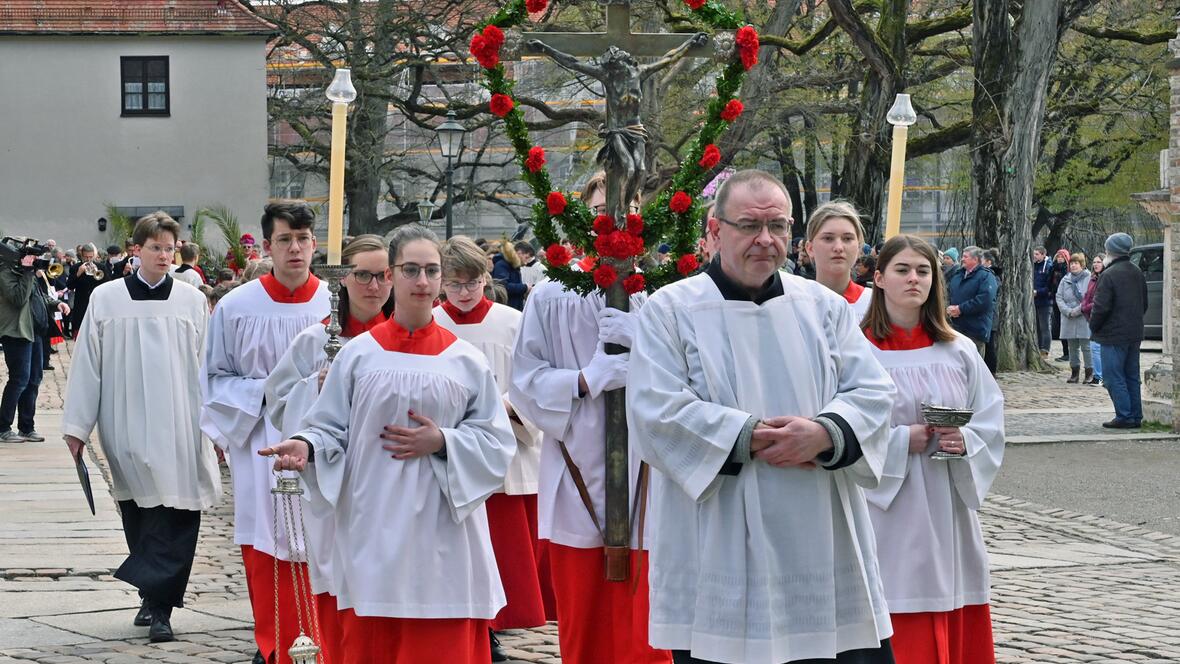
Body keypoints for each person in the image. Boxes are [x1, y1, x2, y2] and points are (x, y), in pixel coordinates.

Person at [627, 169, 897, 664]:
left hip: (819, 526)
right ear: (714, 230)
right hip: (718, 527)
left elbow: (875, 391)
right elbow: (654, 411)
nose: (765, 240)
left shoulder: (821, 306)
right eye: (749, 225)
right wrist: (748, 436)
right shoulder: (671, 310)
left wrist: (823, 433)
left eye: (777, 226)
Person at [261, 225, 517, 664]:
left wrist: (444, 441)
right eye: (411, 270)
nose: (422, 281)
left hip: (443, 529)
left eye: (432, 271)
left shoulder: (466, 361)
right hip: (372, 522)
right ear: (393, 274)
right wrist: (305, 445)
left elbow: (497, 442)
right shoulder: (358, 355)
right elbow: (329, 426)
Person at [510, 174, 665, 664]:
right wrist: (584, 379)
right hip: (576, 467)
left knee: (652, 621)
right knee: (586, 618)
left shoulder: (666, 296)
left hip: (652, 475)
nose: (616, 223)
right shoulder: (550, 296)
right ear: (581, 220)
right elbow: (525, 380)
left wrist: (652, 345)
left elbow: (707, 380)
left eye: (627, 209)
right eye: (602, 210)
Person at [62, 212, 220, 643]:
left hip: (181, 421)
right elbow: (88, 363)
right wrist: (78, 426)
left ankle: (162, 607)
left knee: (180, 511)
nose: (165, 256)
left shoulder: (190, 301)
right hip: (125, 419)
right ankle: (151, 595)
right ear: (136, 250)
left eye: (170, 248)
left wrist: (217, 426)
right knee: (140, 511)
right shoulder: (107, 298)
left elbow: (208, 366)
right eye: (156, 248)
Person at [860, 234, 1005, 664]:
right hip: (884, 506)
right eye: (902, 270)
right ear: (880, 277)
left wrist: (967, 440)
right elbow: (837, 428)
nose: (914, 279)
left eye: (923, 271)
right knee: (891, 598)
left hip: (946, 504)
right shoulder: (856, 349)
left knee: (948, 589)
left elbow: (989, 420)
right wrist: (902, 439)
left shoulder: (958, 350)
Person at [202, 201, 330, 664]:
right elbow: (214, 380)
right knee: (266, 539)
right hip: (261, 436)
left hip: (326, 438)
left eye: (303, 239)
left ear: (315, 242)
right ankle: (274, 640)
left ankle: (326, 640)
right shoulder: (237, 307)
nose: (295, 249)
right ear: (269, 245)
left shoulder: (336, 303)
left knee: (324, 538)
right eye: (284, 240)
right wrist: (280, 391)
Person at [264, 235, 393, 664]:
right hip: (333, 477)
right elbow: (279, 401)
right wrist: (316, 388)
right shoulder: (314, 340)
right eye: (362, 275)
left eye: (383, 275)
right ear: (343, 279)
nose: (373, 286)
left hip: (390, 476)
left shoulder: (402, 339)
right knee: (337, 577)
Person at [436, 236, 546, 662]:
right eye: (455, 284)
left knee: (501, 550)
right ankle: (474, 628)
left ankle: (494, 627)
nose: (464, 293)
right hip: (453, 448)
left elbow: (531, 383)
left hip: (507, 452)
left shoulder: (510, 322)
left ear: (488, 278)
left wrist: (505, 409)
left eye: (473, 282)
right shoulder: (432, 323)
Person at [0, 242, 70, 443]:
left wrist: (58, 303)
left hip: (35, 332)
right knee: (19, 379)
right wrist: (28, 271)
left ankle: (26, 427)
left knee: (34, 380)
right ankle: (3, 427)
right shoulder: (6, 273)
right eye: (27, 256)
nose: (31, 259)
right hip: (17, 333)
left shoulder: (26, 273)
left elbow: (37, 298)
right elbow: (19, 298)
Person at [1089, 233, 1147, 429]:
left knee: (1113, 376)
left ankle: (1125, 415)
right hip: (1134, 332)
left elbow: (1100, 307)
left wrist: (1094, 326)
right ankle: (1135, 415)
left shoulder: (1109, 274)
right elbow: (1144, 303)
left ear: (1111, 251)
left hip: (1113, 334)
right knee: (1131, 375)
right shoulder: (1137, 271)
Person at [806, 201, 872, 319]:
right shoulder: (794, 304)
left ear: (859, 247)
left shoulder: (874, 304)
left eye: (847, 238)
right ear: (810, 248)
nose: (838, 248)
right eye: (828, 238)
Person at [945, 247, 998, 356]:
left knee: (974, 367)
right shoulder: (958, 275)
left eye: (965, 256)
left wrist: (960, 309)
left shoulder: (986, 276)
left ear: (975, 259)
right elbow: (948, 293)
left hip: (975, 330)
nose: (962, 259)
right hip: (956, 328)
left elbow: (985, 300)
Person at [1056, 252, 1092, 384]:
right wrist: (1067, 311)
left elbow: (1089, 298)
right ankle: (1074, 373)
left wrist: (1077, 311)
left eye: (1076, 263)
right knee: (1072, 347)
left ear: (1082, 265)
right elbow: (1059, 296)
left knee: (1086, 346)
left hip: (1083, 316)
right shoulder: (1066, 279)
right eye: (1071, 263)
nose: (1073, 266)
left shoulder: (1089, 278)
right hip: (1068, 316)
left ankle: (1089, 373)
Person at [68, 243, 107, 332]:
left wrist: (98, 273)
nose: (89, 260)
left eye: (91, 257)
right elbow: (69, 285)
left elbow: (107, 284)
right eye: (86, 257)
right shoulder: (75, 267)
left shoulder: (101, 267)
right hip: (81, 304)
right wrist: (78, 273)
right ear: (81, 255)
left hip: (97, 304)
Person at [1080, 254, 1104, 385]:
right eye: (1094, 262)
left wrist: (1087, 307)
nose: (1096, 264)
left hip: (1100, 316)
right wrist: (1083, 306)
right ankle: (1098, 375)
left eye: (1099, 262)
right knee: (1094, 347)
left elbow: (1099, 301)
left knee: (1095, 347)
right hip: (1091, 317)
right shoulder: (1092, 279)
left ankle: (1099, 376)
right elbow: (1087, 295)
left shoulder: (1105, 279)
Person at [980, 249, 1002, 376]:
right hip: (988, 315)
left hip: (991, 315)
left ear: (988, 262)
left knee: (989, 345)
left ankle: (991, 371)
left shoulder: (993, 276)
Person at [491, 240, 528, 310]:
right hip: (508, 306)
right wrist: (525, 287)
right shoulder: (501, 265)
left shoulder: (511, 265)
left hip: (514, 305)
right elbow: (503, 286)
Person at [1031, 247, 1053, 359]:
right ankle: (1038, 348)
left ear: (1043, 255)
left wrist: (1037, 292)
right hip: (1034, 302)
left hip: (1045, 302)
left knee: (1045, 327)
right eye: (1034, 253)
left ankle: (1045, 350)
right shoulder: (1033, 266)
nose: (1034, 256)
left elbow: (1050, 287)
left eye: (1037, 254)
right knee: (1037, 327)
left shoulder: (1048, 267)